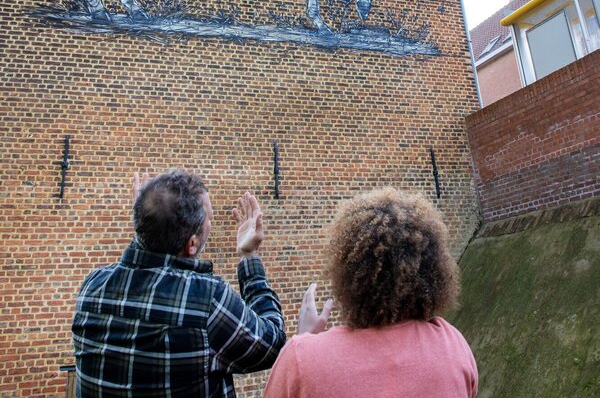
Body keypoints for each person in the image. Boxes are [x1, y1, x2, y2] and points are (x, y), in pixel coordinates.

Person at [72, 169, 286, 397]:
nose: (211, 224)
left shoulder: (92, 287)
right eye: (210, 218)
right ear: (192, 244)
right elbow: (273, 343)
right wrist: (249, 255)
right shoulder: (206, 300)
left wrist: (147, 222)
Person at [264, 188, 478, 398]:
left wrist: (303, 339)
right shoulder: (452, 345)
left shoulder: (302, 361)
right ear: (433, 270)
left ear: (348, 271)